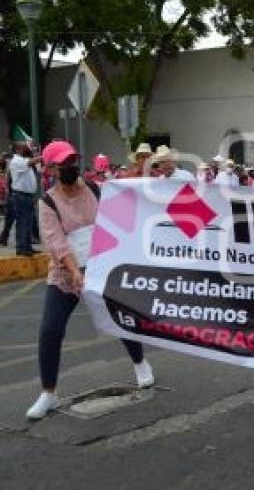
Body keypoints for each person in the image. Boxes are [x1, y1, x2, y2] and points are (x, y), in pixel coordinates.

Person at [26, 141, 154, 420]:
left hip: (103, 267)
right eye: (64, 163)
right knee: (50, 330)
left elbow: (120, 220)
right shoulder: (47, 202)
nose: (71, 166)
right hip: (66, 274)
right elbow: (57, 244)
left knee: (121, 318)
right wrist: (74, 272)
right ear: (51, 168)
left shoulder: (97, 189)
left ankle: (140, 363)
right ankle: (48, 392)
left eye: (73, 161)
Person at [8, 139, 41, 256]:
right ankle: (21, 248)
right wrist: (41, 156)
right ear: (18, 149)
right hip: (21, 196)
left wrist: (35, 154)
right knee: (22, 222)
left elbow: (34, 164)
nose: (26, 149)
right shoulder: (16, 161)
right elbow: (31, 162)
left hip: (27, 196)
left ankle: (27, 246)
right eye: (23, 147)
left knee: (28, 222)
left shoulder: (22, 159)